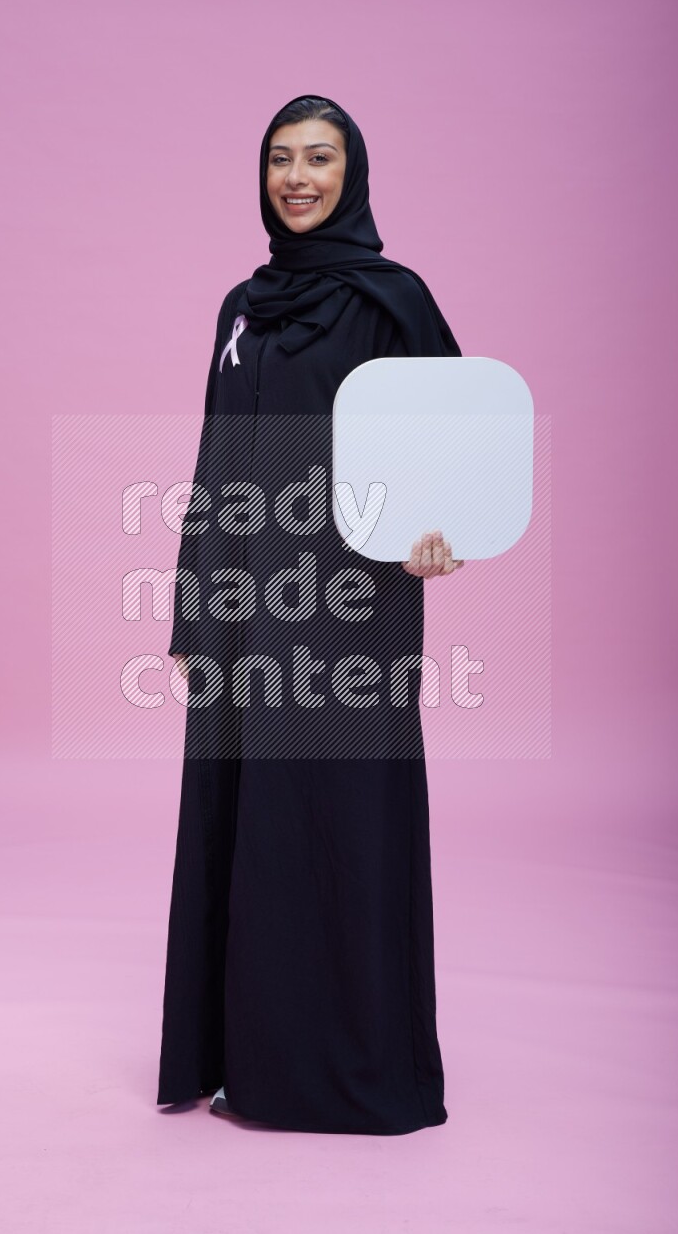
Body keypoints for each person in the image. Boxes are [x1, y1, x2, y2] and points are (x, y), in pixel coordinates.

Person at [157, 94, 463, 1135]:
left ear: (353, 172)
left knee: (335, 821)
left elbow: (453, 440)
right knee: (247, 824)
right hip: (247, 609)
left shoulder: (393, 300)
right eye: (280, 159)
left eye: (318, 158)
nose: (297, 177)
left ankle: (351, 1066)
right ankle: (246, 1057)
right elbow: (212, 460)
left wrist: (438, 526)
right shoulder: (240, 305)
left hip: (349, 609)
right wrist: (195, 604)